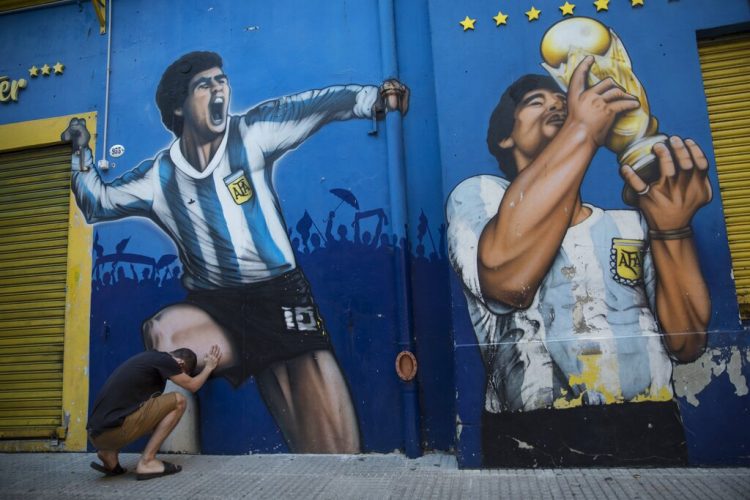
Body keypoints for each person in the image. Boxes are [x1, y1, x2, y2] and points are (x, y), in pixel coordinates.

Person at [63, 51, 409, 453]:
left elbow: (317, 106)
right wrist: (81, 154)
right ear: (179, 105)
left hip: (279, 295)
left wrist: (373, 98)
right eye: (204, 84)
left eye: (221, 80)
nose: (219, 88)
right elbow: (98, 202)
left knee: (336, 452)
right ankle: (172, 465)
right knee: (165, 331)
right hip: (217, 308)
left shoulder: (253, 133)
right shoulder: (158, 178)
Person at [446, 57, 711, 466]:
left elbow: (687, 342)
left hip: (650, 424)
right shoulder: (479, 199)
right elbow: (508, 280)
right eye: (536, 101)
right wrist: (581, 128)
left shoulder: (629, 223)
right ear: (504, 137)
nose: (557, 106)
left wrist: (672, 230)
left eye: (564, 102)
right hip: (532, 432)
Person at [88, 346, 222, 480]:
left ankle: (108, 454)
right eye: (183, 373)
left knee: (145, 410)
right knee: (178, 401)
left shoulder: (148, 358)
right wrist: (209, 367)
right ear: (180, 363)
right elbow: (192, 386)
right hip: (114, 431)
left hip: (96, 434)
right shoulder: (166, 361)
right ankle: (147, 461)